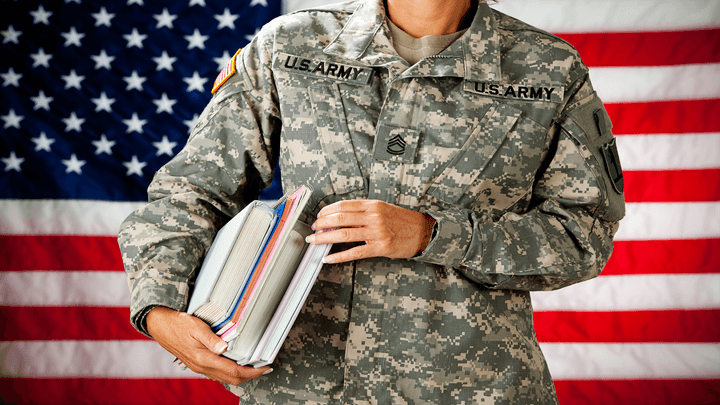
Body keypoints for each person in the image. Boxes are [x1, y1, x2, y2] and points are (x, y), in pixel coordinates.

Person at [118, 0, 625, 403]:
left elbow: (583, 235)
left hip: (473, 389)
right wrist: (160, 309)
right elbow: (192, 191)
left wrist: (432, 234)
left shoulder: (548, 70)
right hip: (300, 385)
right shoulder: (291, 47)